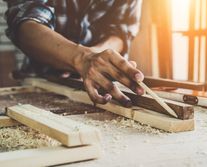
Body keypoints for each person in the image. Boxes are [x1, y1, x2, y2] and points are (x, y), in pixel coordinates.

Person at [4, 0, 145, 107]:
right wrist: (82, 58)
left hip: (102, 84)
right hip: (42, 82)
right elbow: (25, 25)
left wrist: (97, 58)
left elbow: (121, 31)